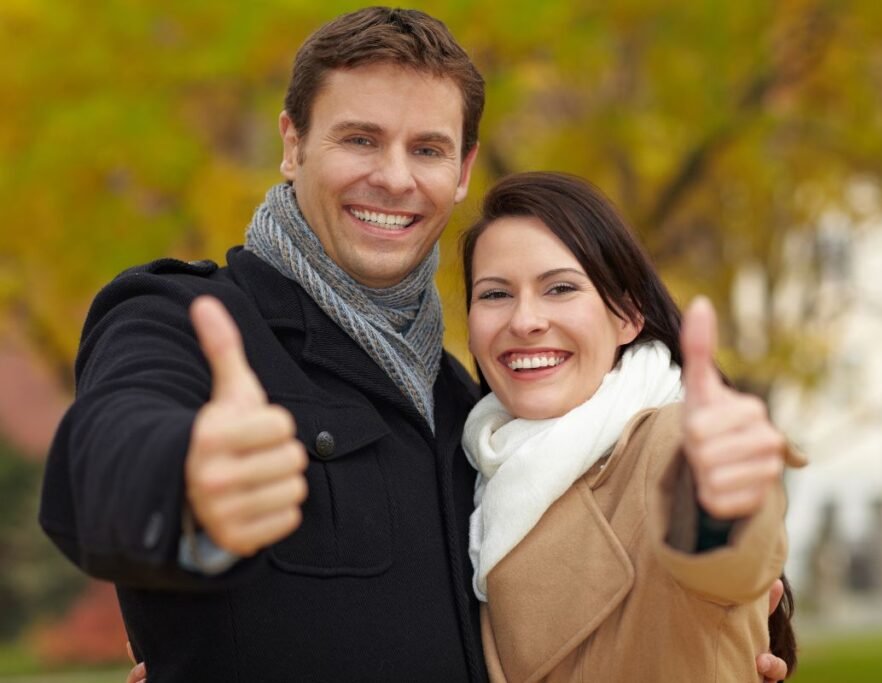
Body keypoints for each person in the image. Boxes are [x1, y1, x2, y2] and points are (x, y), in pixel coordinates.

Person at [37, 6, 791, 682]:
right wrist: (186, 482)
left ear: (462, 171)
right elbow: (104, 452)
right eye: (360, 139)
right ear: (293, 144)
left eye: (427, 149)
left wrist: (727, 634)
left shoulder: (472, 411)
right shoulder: (187, 319)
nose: (394, 178)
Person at [459, 171, 800, 681]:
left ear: (627, 316)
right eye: (494, 295)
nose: (524, 320)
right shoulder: (480, 467)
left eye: (560, 288)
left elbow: (724, 551)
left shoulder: (674, 441)